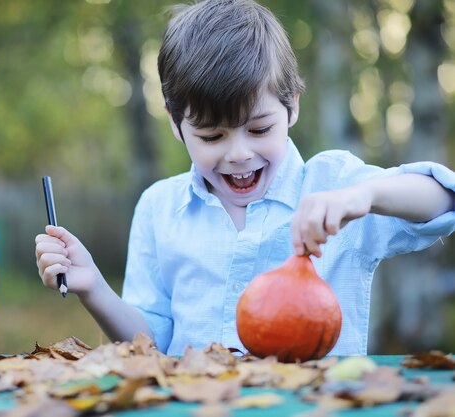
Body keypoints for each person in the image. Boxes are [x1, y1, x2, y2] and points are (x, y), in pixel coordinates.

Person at [35, 0, 455, 356]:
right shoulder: (159, 208)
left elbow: (443, 199)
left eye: (258, 129)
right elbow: (152, 345)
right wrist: (93, 289)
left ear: (291, 106)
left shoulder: (333, 184)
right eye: (211, 136)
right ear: (175, 124)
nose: (238, 154)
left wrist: (362, 196)